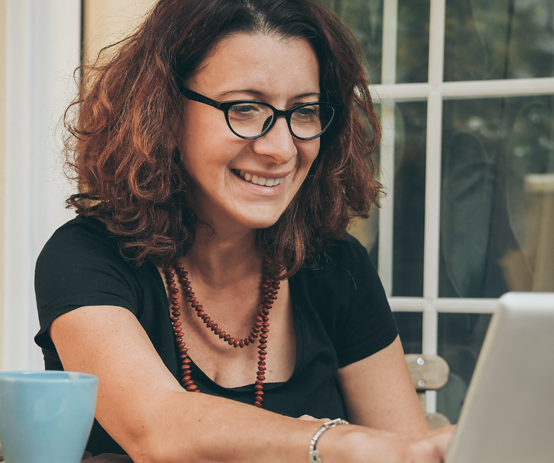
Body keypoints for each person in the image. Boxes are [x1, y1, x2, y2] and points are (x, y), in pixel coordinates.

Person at [34, 0, 455, 461]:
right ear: (165, 111)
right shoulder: (83, 259)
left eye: (305, 111)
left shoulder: (337, 265)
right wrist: (337, 442)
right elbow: (155, 429)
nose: (280, 149)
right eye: (246, 108)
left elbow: (413, 452)